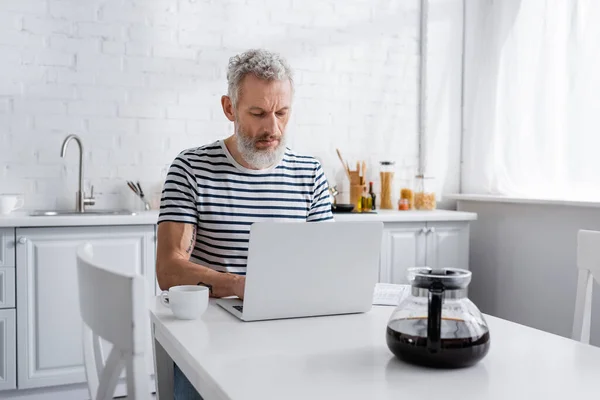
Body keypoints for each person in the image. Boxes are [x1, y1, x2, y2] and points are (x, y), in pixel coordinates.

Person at [156, 49, 334, 400]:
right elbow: (168, 269)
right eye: (258, 113)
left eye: (282, 113)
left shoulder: (310, 173)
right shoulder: (190, 169)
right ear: (229, 108)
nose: (273, 128)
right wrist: (241, 286)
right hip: (207, 340)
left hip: (288, 334)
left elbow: (326, 266)